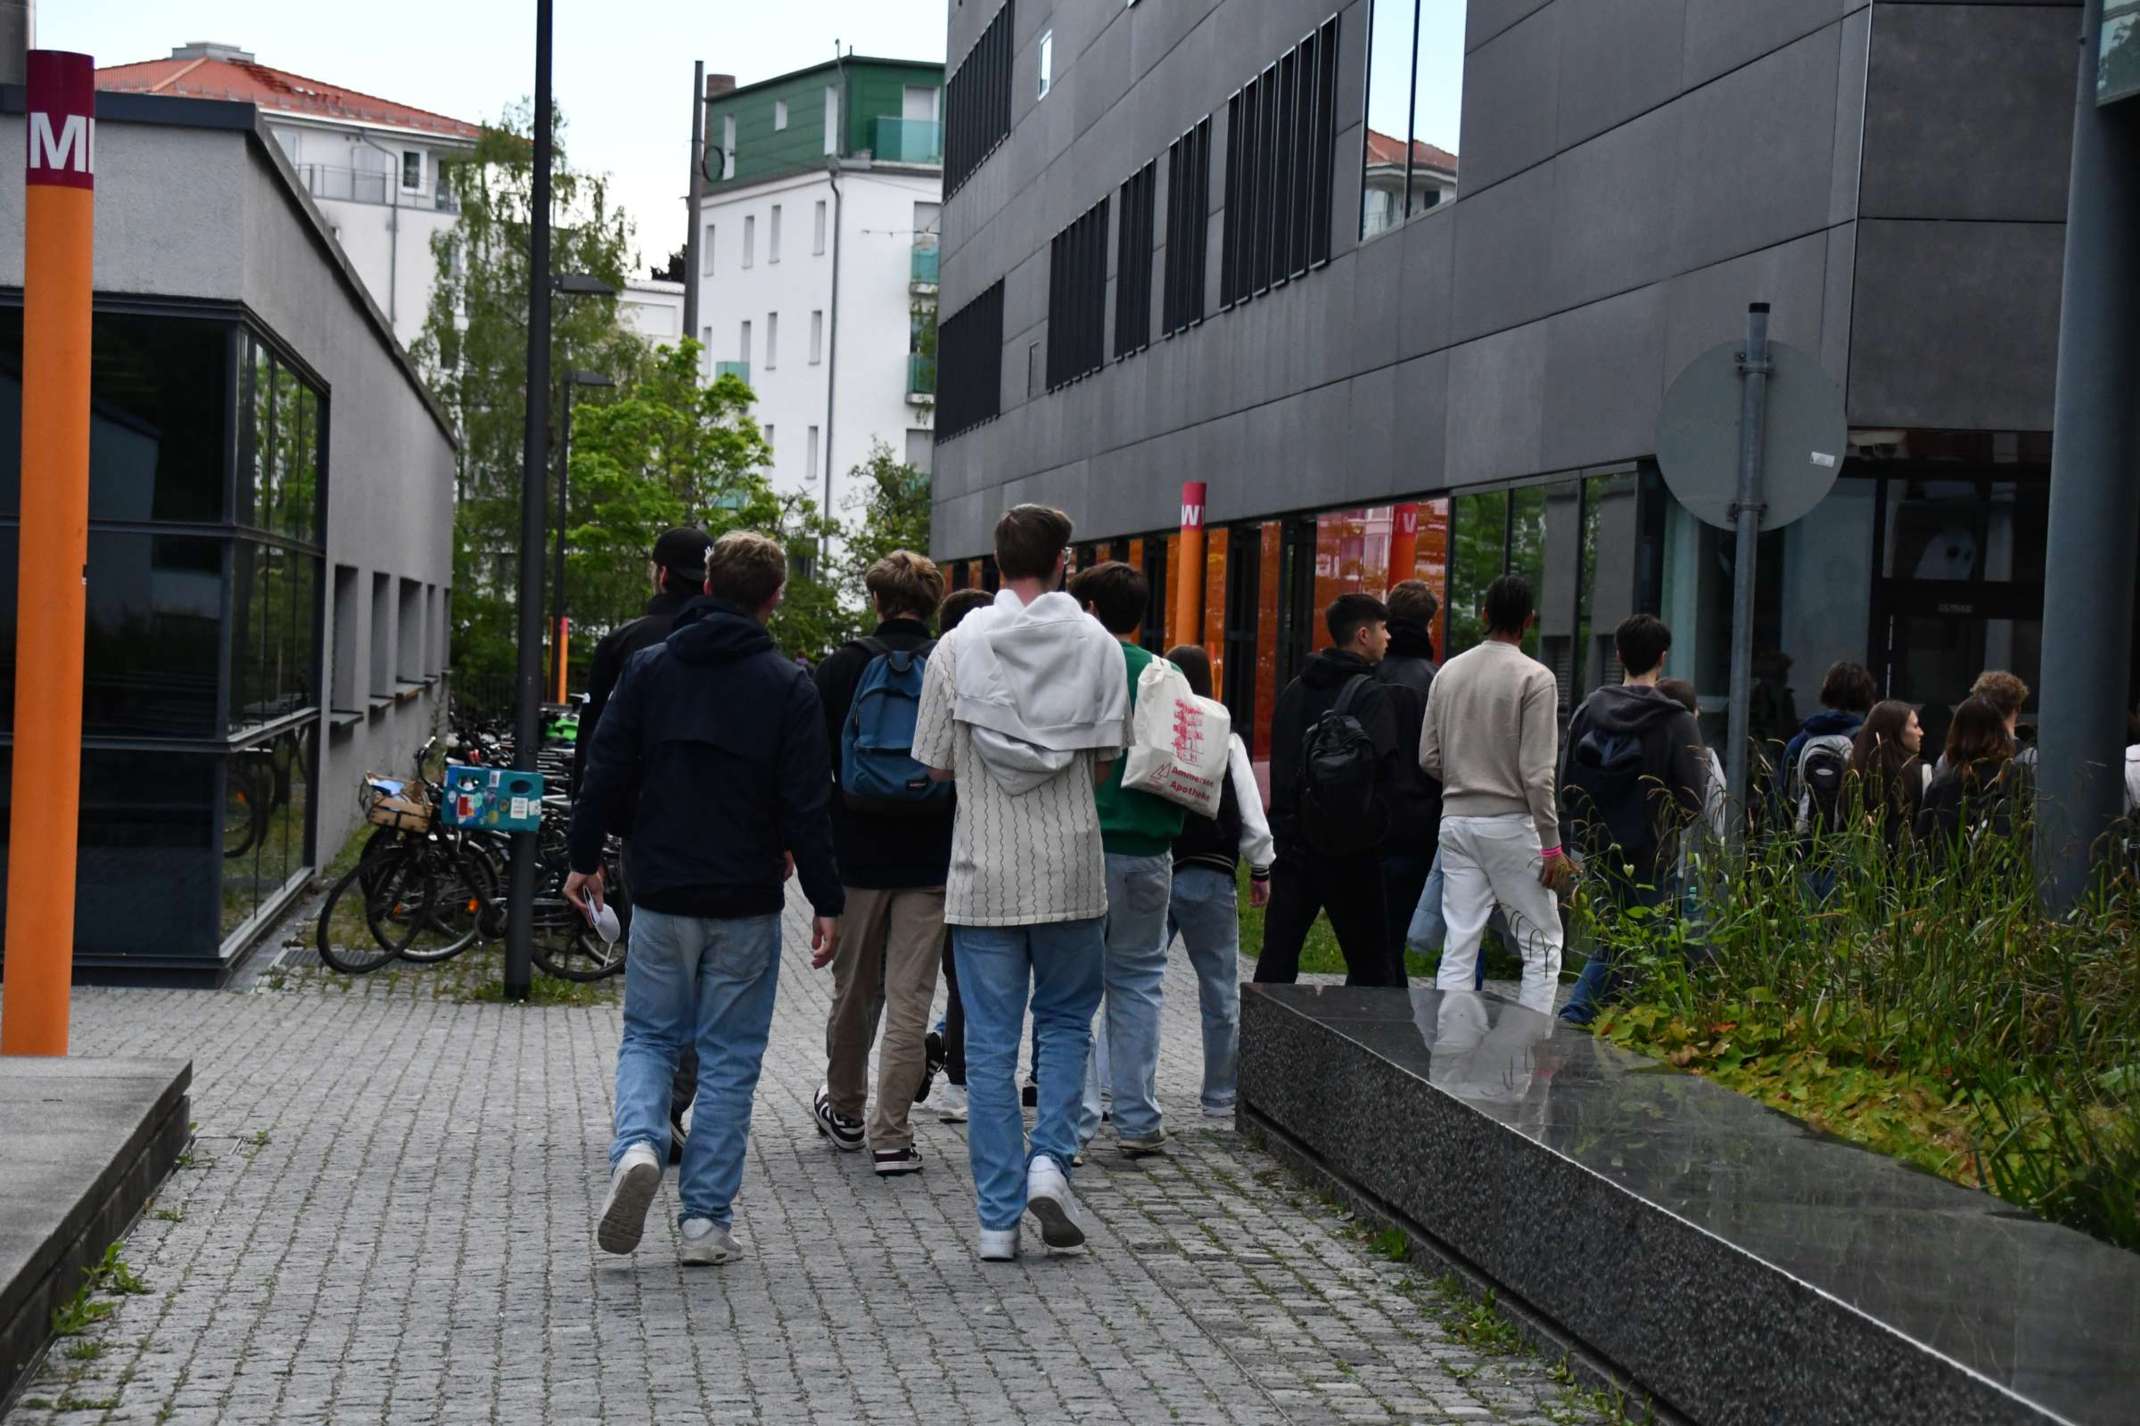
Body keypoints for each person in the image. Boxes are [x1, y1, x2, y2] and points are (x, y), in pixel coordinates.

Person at [567, 531, 844, 1267]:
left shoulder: (652, 669)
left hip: (660, 889)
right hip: (748, 898)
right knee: (729, 1059)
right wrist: (825, 898)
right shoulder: (788, 685)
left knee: (650, 1036)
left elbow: (604, 766)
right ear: (775, 597)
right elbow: (806, 806)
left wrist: (582, 857)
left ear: (707, 584)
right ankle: (704, 1226)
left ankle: (636, 1146)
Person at [912, 504, 1130, 1261]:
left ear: (996, 562)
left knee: (994, 1050)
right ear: (1063, 559)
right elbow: (1106, 761)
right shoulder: (1098, 646)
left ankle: (997, 1221)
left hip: (984, 874)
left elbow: (934, 764)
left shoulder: (955, 649)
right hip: (1072, 870)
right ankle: (1050, 1163)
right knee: (1068, 1026)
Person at [569, 526, 712, 1161]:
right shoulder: (737, 647)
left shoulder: (626, 643)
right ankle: (675, 1107)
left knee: (657, 987)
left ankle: (650, 1118)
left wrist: (585, 850)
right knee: (709, 989)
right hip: (724, 843)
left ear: (659, 574)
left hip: (644, 837)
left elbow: (595, 752)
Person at [810, 551, 954, 1176]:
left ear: (876, 600)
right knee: (911, 998)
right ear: (930, 604)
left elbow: (813, 770)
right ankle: (892, 1136)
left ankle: (844, 1111)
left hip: (857, 855)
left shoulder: (842, 667)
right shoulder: (950, 664)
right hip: (931, 856)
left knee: (854, 992)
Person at [1066, 562, 1187, 1158]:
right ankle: (1138, 1119)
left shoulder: (1081, 667)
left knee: (1074, 988)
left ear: (1088, 606)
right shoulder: (1167, 674)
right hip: (1150, 849)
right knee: (1140, 980)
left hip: (1084, 846)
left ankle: (1078, 1119)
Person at [1420, 574, 1570, 1015]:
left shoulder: (1449, 671)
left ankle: (1448, 1060)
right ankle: (1528, 1058)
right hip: (1510, 825)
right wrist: (1552, 846)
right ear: (1529, 621)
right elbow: (1538, 774)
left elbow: (1428, 756)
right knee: (1542, 945)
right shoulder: (1535, 678)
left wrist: (1465, 776)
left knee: (1460, 941)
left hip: (1455, 822)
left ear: (1483, 615)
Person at [1556, 615, 1706, 1026]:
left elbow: (1568, 783)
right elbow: (1693, 797)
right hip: (1652, 850)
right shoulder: (1677, 721)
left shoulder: (1588, 709)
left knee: (1619, 937)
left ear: (1618, 654)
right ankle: (1577, 1015)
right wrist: (1663, 827)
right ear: (1663, 657)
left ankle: (1607, 1021)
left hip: (1600, 848)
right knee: (1633, 941)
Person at [1257, 593, 1408, 986]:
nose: (1388, 637)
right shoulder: (1371, 695)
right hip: (1352, 852)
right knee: (1373, 966)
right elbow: (1386, 769)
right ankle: (1363, 1042)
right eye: (1382, 629)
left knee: (1277, 959)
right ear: (1362, 635)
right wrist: (1376, 826)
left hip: (1293, 845)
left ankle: (1263, 1043)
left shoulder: (1293, 690)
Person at [1163, 645, 1273, 1119]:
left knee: (1130, 985)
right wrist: (1262, 866)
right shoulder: (1223, 732)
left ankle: (1111, 1092)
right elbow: (1249, 807)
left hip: (1153, 866)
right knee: (1219, 990)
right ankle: (1219, 1096)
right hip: (1210, 870)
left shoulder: (1152, 724)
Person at [928, 587, 995, 1125]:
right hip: (985, 844)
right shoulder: (996, 674)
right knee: (971, 973)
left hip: (922, 850)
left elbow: (934, 766)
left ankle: (953, 1076)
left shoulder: (938, 669)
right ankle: (965, 1078)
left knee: (949, 975)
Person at [1374, 580, 1444, 981]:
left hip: (1367, 823)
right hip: (1418, 823)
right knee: (1394, 937)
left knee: (1373, 941)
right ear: (1428, 625)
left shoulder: (1369, 675)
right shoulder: (1436, 681)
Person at [1916, 695, 2031, 855]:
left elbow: (1922, 845)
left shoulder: (1943, 784)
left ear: (1956, 733)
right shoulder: (2017, 775)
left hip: (1949, 876)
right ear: (1999, 730)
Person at [1779, 661, 1877, 834]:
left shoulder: (1799, 742)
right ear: (1867, 694)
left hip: (1805, 843)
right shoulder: (1868, 743)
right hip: (1852, 844)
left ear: (1827, 691)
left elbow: (1783, 801)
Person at [1850, 699, 1929, 858]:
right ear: (1895, 731)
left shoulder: (1853, 771)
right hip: (1908, 875)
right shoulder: (1923, 774)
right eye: (1915, 726)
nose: (1921, 732)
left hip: (1859, 870)